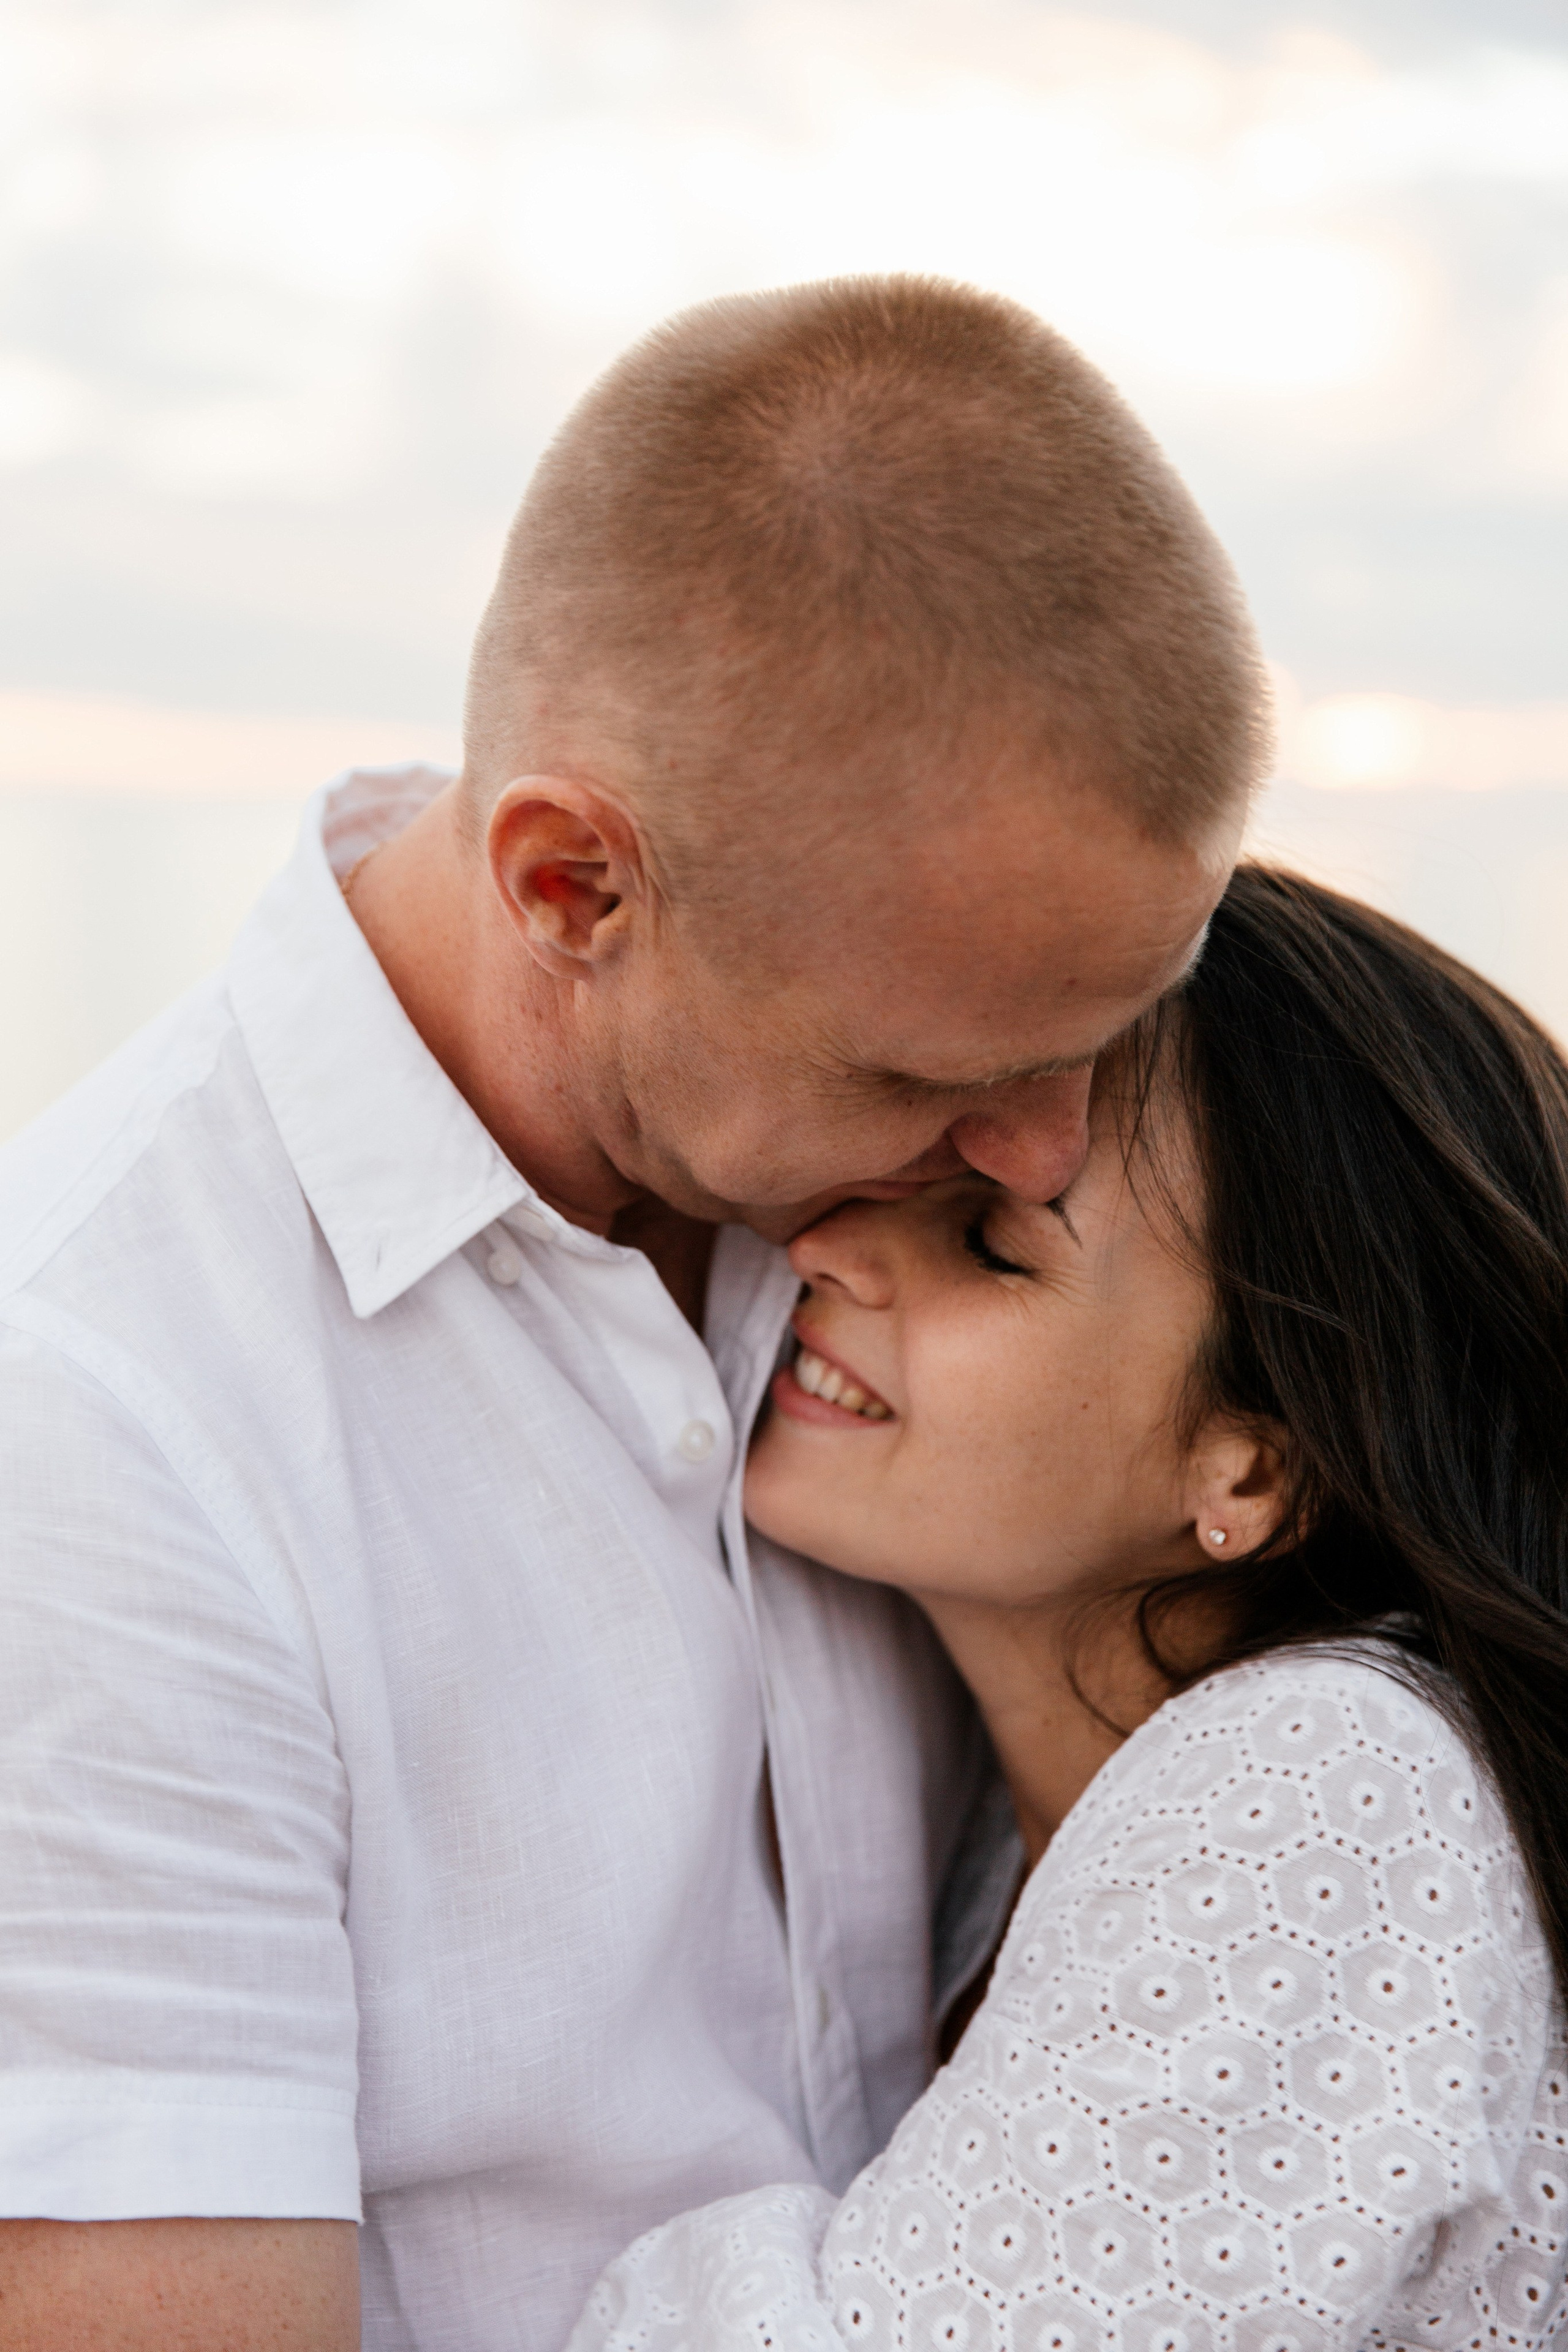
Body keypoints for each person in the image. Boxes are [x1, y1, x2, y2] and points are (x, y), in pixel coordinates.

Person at [0, 277, 1267, 2350]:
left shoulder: (916, 1221)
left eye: (1111, 1034)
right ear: (572, 889)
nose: (1044, 1153)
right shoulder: (90, 1439)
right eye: (928, 1069)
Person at [567, 864, 1568, 2352]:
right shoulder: (1015, 1804)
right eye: (906, 1160)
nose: (828, 1248)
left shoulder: (1324, 1789)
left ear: (1254, 1461)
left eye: (986, 1237)